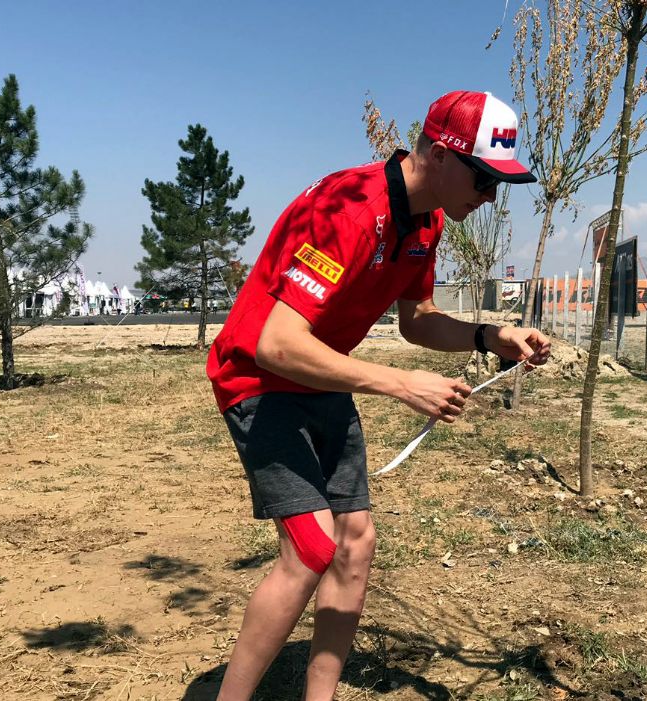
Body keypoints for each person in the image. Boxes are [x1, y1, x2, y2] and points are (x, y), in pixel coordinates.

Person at [205, 90, 551, 701]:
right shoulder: (350, 210)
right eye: (484, 177)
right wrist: (399, 383)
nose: (491, 195)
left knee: (355, 542)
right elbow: (275, 344)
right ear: (440, 155)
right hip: (260, 381)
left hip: (322, 377)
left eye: (500, 183)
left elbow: (417, 320)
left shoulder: (427, 220)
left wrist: (488, 335)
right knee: (310, 548)